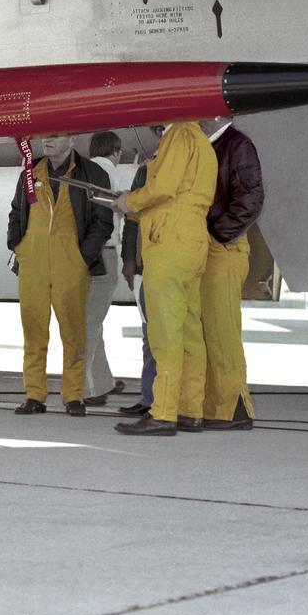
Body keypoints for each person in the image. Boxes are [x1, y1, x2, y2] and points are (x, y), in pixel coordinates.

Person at [111, 122, 216, 436]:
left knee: (164, 333)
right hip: (194, 239)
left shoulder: (178, 135)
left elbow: (164, 187)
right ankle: (190, 410)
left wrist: (128, 202)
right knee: (189, 332)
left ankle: (163, 413)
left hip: (169, 242)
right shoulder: (201, 140)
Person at [8, 133, 114, 417]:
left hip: (71, 264)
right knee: (33, 330)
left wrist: (82, 258)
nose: (47, 140)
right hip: (33, 262)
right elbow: (17, 211)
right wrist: (18, 246)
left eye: (56, 136)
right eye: (46, 136)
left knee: (73, 332)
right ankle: (34, 395)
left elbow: (103, 221)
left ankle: (74, 395)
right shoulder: (31, 173)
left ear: (72, 140)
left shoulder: (93, 174)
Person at [198, 116, 264, 431]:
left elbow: (251, 200)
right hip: (204, 249)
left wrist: (217, 235)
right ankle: (211, 405)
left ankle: (232, 409)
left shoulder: (238, 145)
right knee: (204, 332)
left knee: (222, 333)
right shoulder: (207, 145)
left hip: (223, 250)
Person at [83, 131, 129, 406]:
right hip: (104, 254)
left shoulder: (86, 171)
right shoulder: (112, 173)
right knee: (90, 323)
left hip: (87, 254)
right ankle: (84, 390)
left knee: (91, 321)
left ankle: (101, 383)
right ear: (117, 151)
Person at [117, 159, 154, 417]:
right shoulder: (145, 172)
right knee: (149, 338)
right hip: (144, 266)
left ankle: (162, 400)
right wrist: (129, 259)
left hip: (170, 263)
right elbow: (132, 220)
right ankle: (149, 398)